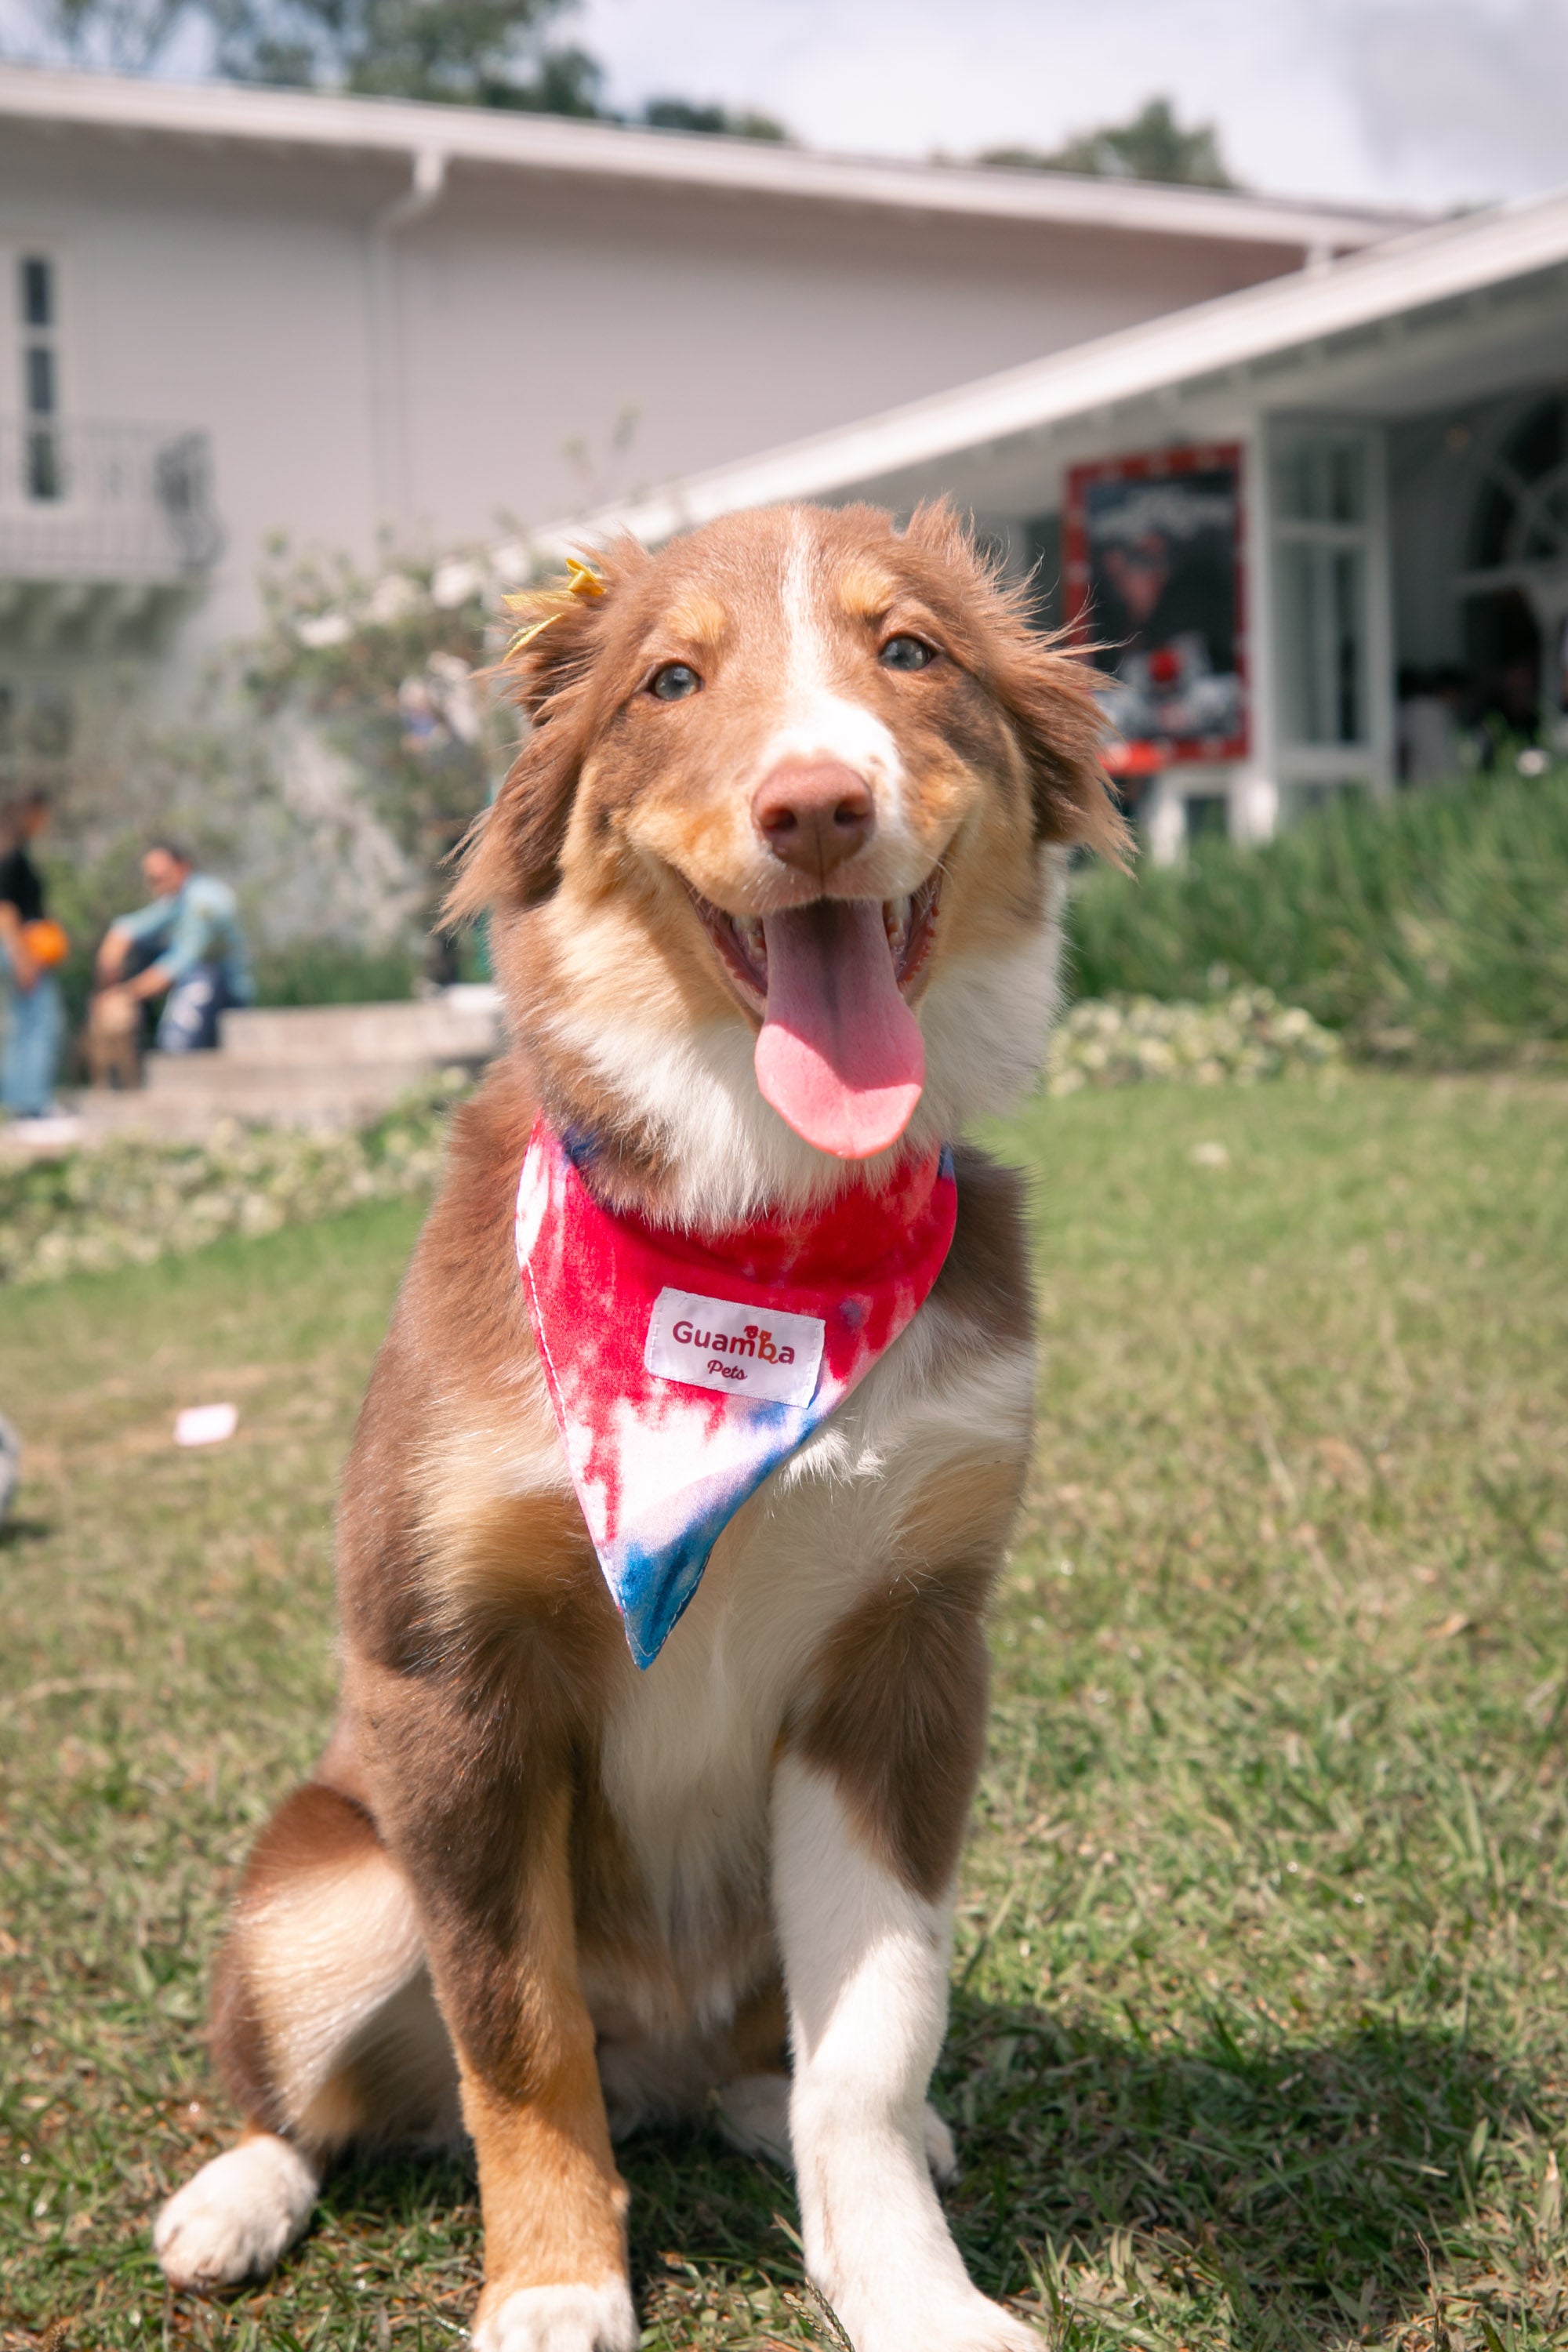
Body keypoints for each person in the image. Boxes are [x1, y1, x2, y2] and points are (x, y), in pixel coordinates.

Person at [96, 841, 252, 1052]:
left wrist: (124, 994)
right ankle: (144, 1043)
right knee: (141, 951)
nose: (154, 886)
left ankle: (169, 1042)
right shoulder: (177, 898)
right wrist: (115, 943)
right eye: (150, 880)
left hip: (224, 991)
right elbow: (138, 925)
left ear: (181, 868)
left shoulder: (205, 901)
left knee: (177, 1044)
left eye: (159, 878)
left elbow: (179, 963)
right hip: (193, 981)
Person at [0, 789, 67, 1123]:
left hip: (23, 947)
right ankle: (30, 1105)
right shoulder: (11, 855)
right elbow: (5, 910)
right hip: (19, 946)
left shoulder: (16, 852)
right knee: (38, 1023)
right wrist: (22, 957)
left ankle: (23, 1102)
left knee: (27, 1022)